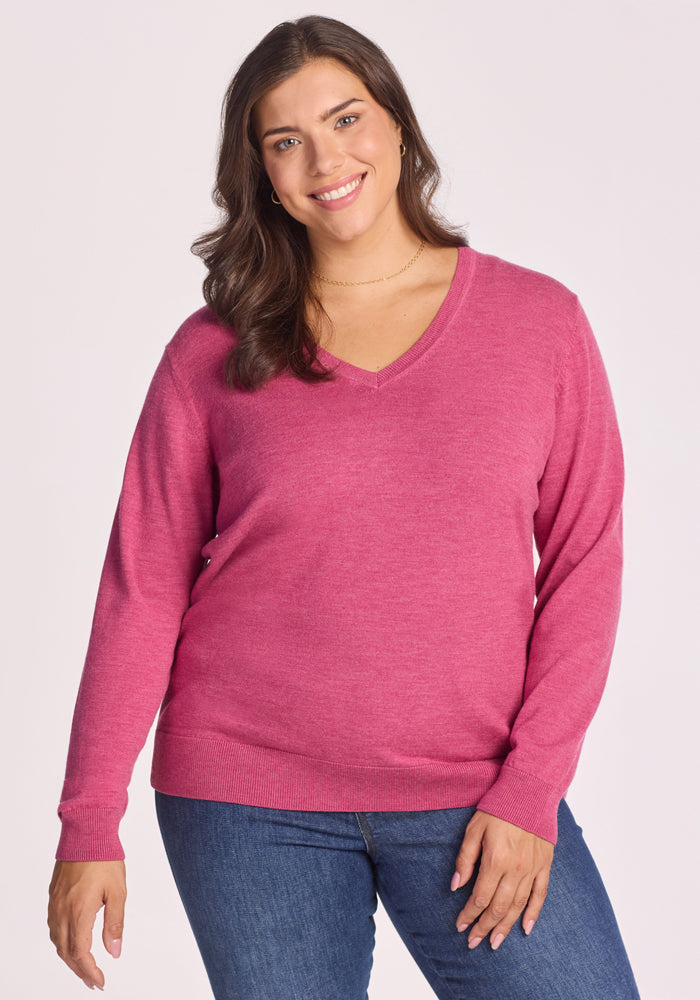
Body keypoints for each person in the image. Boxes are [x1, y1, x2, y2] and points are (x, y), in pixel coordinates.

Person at [47, 14, 640, 1000]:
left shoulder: (539, 326)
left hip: (474, 797)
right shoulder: (212, 353)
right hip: (244, 806)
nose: (324, 158)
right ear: (263, 174)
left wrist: (531, 793)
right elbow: (141, 588)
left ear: (396, 125)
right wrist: (87, 821)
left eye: (345, 117)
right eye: (286, 140)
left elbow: (586, 562)